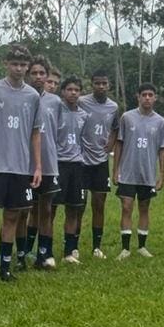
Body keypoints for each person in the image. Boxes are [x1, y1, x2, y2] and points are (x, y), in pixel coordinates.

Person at [0, 45, 43, 283]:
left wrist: (38, 166)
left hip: (20, 167)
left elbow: (35, 133)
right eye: (15, 64)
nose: (19, 69)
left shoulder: (33, 96)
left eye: (23, 65)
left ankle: (5, 267)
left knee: (12, 216)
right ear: (6, 64)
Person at [113, 83, 164, 258]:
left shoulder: (160, 121)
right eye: (143, 94)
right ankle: (125, 248)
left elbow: (162, 149)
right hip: (128, 172)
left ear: (155, 98)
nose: (147, 97)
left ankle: (142, 246)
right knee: (126, 207)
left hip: (147, 174)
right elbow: (119, 144)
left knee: (144, 207)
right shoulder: (127, 118)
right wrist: (115, 170)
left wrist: (162, 174)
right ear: (138, 97)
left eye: (150, 94)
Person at [79, 71, 119, 258]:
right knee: (78, 204)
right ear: (92, 85)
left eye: (104, 83)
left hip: (101, 162)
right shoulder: (82, 102)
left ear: (108, 85)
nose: (100, 86)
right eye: (97, 83)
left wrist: (110, 145)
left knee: (99, 204)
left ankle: (97, 246)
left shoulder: (113, 107)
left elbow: (115, 129)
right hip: (81, 161)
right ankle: (73, 245)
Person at [27, 56, 62, 269]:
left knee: (47, 209)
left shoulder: (55, 102)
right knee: (25, 209)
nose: (39, 77)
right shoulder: (23, 97)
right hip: (25, 163)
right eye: (35, 73)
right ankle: (24, 251)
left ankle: (45, 253)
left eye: (42, 73)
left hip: (49, 162)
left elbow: (54, 131)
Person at [56, 76, 89, 264]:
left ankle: (69, 251)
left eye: (76, 90)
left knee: (73, 209)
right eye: (69, 89)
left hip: (77, 165)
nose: (73, 93)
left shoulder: (84, 115)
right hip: (58, 164)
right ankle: (45, 249)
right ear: (63, 92)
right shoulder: (56, 110)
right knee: (50, 209)